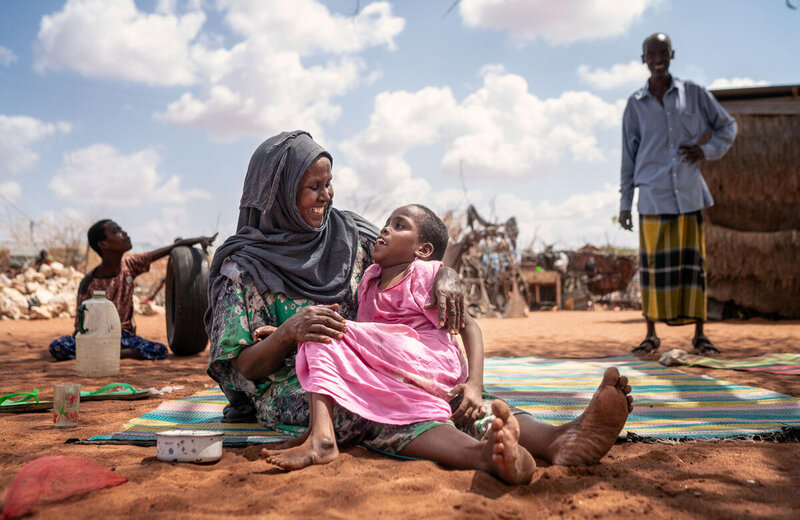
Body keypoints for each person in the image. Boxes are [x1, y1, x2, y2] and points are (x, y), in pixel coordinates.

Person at [207, 130, 633, 486]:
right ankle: (481, 454)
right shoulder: (241, 270)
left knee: (448, 392)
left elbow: (415, 254)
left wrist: (447, 275)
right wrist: (286, 334)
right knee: (373, 406)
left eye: (328, 184)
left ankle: (556, 439)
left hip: (375, 358)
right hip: (296, 387)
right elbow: (241, 368)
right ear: (277, 194)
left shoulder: (349, 233)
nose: (326, 197)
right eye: (313, 188)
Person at [264, 204, 489, 470]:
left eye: (399, 225)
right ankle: (316, 431)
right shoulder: (369, 281)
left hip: (431, 361)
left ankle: (322, 440)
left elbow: (469, 327)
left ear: (423, 250)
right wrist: (285, 333)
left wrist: (474, 384)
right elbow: (366, 340)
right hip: (400, 368)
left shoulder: (425, 274)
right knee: (319, 331)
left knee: (321, 328)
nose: (385, 229)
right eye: (388, 222)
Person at [619, 33, 737, 356]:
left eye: (664, 52)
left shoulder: (695, 95)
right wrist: (624, 203)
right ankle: (651, 335)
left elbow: (728, 127)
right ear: (643, 58)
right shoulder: (635, 104)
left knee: (693, 269)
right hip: (653, 198)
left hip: (688, 196)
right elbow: (628, 156)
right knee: (654, 270)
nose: (658, 58)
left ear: (673, 55)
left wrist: (706, 150)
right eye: (651, 53)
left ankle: (700, 336)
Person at [49, 220, 216, 361]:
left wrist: (198, 239)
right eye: (117, 231)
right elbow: (80, 327)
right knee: (58, 346)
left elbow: (169, 248)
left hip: (123, 338)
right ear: (103, 244)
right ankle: (107, 354)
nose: (125, 233)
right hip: (96, 338)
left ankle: (105, 354)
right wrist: (88, 340)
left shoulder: (129, 265)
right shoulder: (89, 282)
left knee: (159, 350)